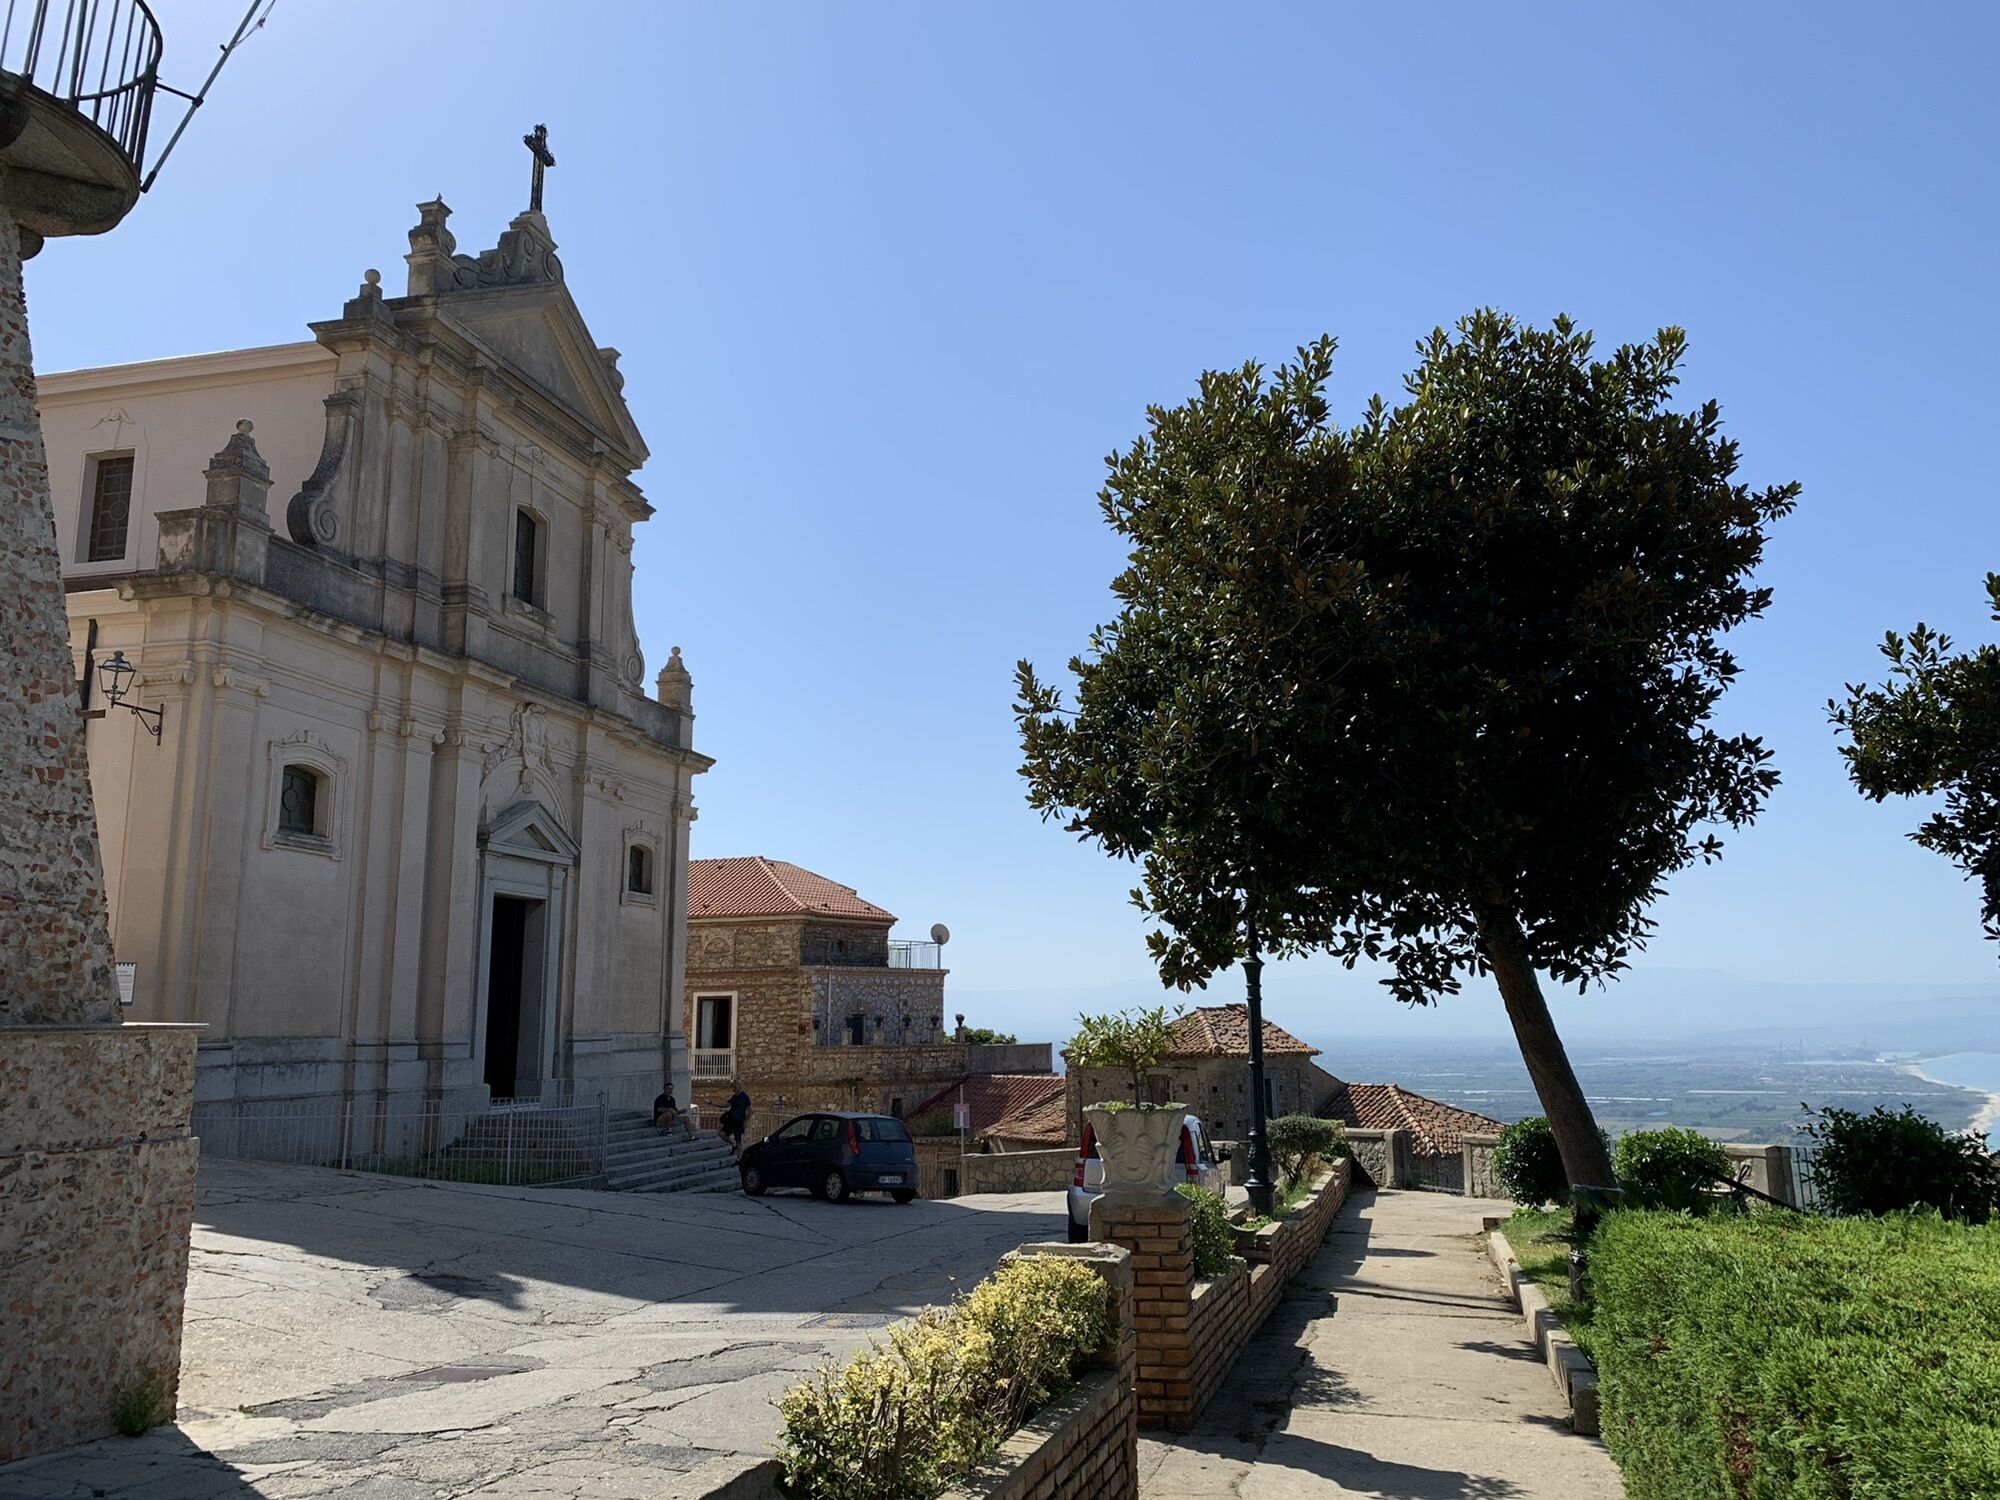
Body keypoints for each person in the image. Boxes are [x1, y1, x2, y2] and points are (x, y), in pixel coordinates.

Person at [719, 1082, 752, 1158]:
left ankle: (738, 1158)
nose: (733, 1089)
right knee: (722, 1134)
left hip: (739, 1122)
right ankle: (733, 1144)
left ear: (739, 1088)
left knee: (738, 1140)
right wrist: (714, 1104)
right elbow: (726, 1105)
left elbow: (750, 1110)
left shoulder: (745, 1097)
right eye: (733, 1087)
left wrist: (746, 1121)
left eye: (735, 1087)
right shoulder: (734, 1097)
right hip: (731, 1120)